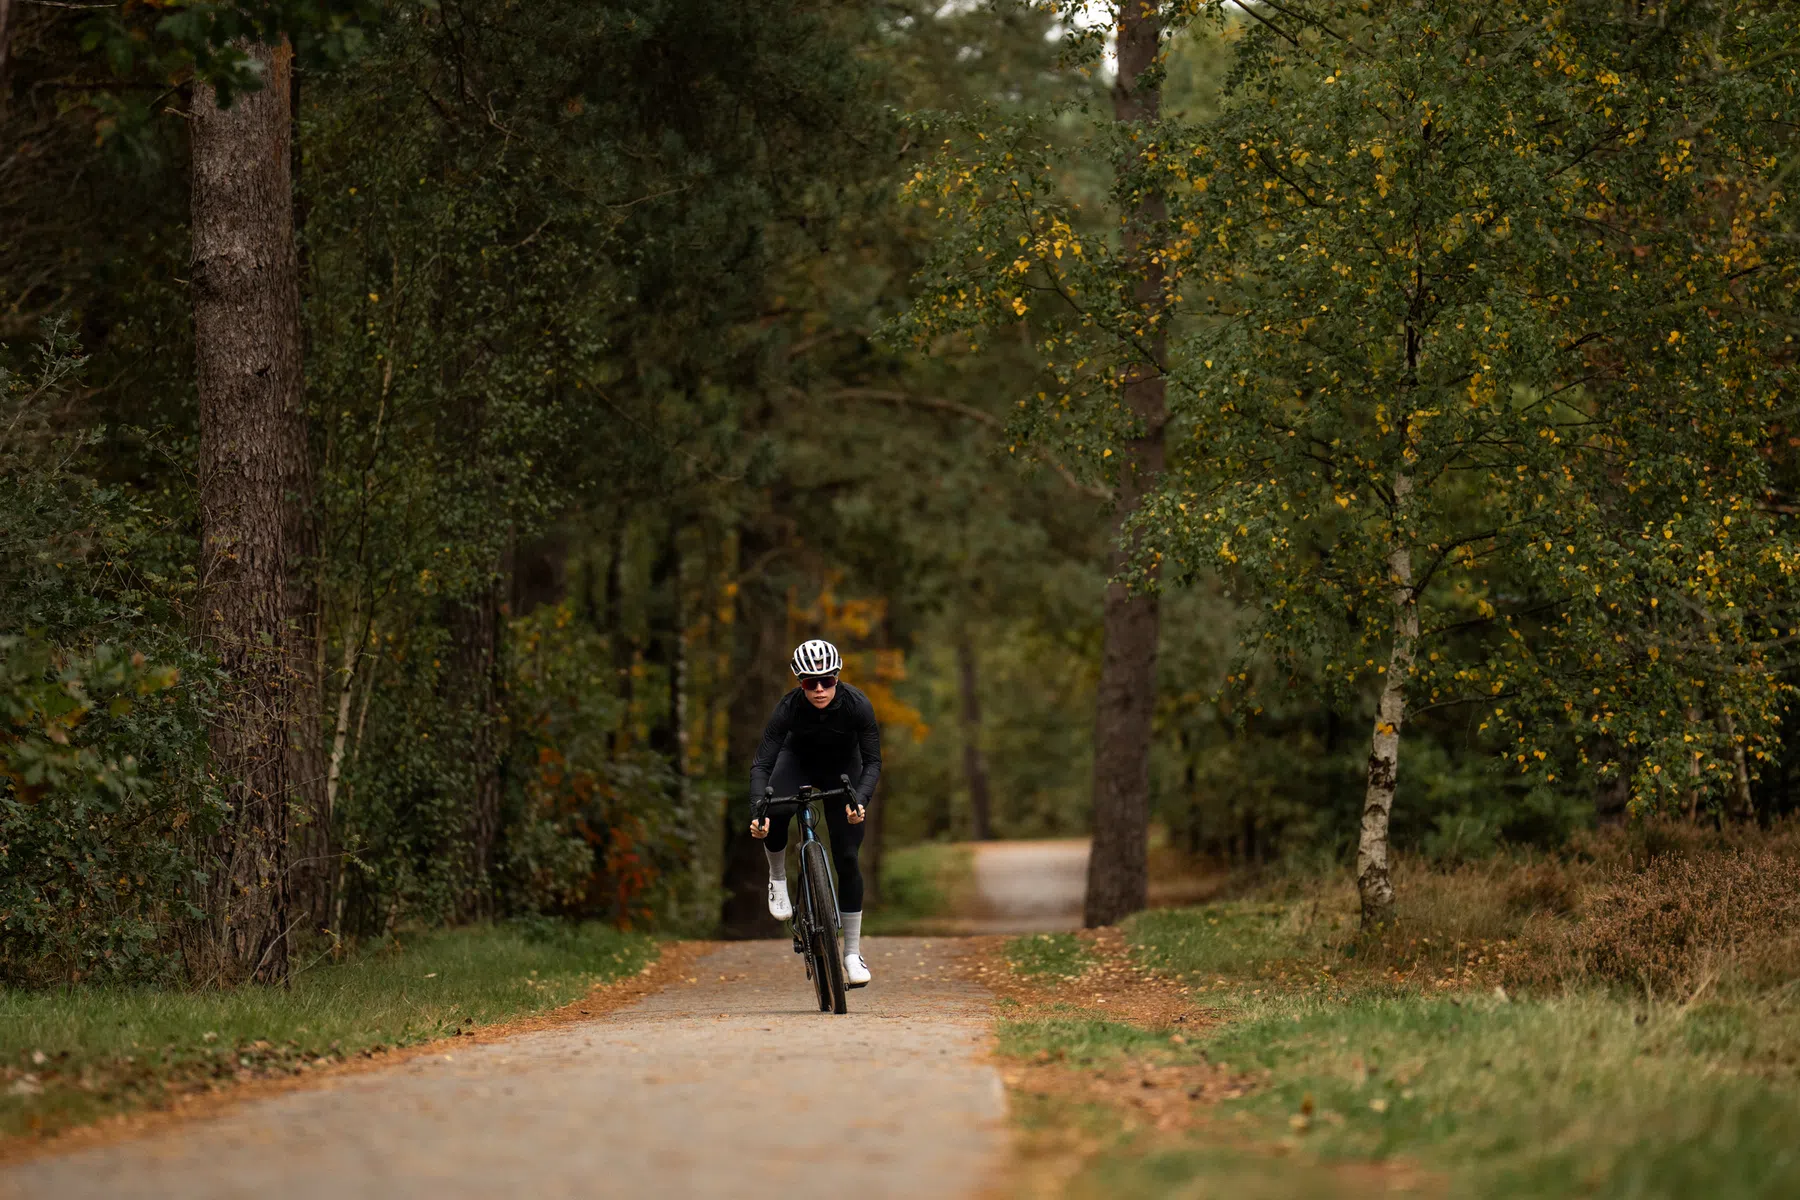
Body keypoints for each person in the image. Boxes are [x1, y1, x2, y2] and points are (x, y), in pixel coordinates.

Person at [749, 638, 879, 987]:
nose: (819, 689)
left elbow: (873, 761)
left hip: (843, 770)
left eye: (827, 680)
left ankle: (852, 953)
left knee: (848, 857)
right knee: (776, 809)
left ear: (837, 678)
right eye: (810, 682)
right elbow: (762, 764)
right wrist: (757, 811)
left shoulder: (858, 705)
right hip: (798, 764)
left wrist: (860, 801)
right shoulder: (788, 708)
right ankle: (778, 877)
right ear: (800, 682)